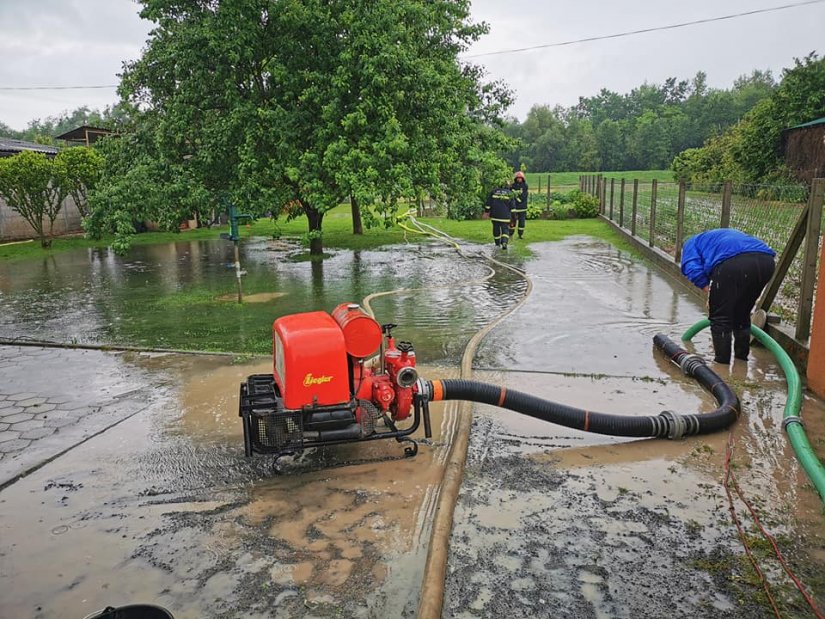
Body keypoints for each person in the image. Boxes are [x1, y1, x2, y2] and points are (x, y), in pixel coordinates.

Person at [680, 228, 776, 364]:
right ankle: (741, 361)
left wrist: (711, 292)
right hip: (766, 263)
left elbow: (692, 268)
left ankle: (721, 367)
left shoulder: (690, 243)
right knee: (742, 314)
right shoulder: (715, 237)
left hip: (734, 263)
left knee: (720, 317)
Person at [483, 183, 515, 250]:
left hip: (495, 215)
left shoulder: (494, 191)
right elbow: (512, 207)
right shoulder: (510, 193)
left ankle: (497, 244)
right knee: (505, 229)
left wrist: (486, 211)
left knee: (496, 229)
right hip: (505, 216)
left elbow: (488, 203)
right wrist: (513, 217)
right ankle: (504, 243)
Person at [510, 171, 529, 239]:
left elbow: (524, 195)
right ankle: (510, 234)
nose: (519, 179)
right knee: (512, 221)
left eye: (520, 178)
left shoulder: (525, 186)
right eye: (518, 178)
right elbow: (511, 195)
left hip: (522, 207)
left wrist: (518, 200)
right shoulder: (512, 186)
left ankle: (520, 235)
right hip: (514, 207)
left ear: (523, 178)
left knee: (522, 222)